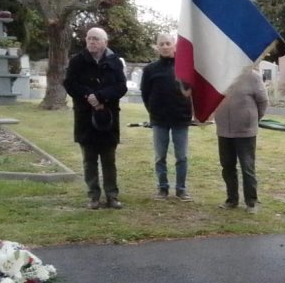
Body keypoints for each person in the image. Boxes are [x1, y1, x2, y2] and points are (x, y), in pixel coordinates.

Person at [62, 27, 128, 210]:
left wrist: (101, 97)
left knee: (109, 159)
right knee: (89, 159)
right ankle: (93, 196)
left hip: (108, 115)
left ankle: (112, 196)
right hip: (85, 116)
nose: (91, 42)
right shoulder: (77, 61)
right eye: (89, 38)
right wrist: (88, 96)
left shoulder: (115, 62)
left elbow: (121, 87)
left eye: (96, 39)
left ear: (105, 42)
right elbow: (70, 84)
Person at [140, 32, 193, 200]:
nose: (164, 47)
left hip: (180, 118)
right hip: (159, 120)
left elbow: (192, 91)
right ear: (157, 46)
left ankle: (181, 189)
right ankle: (162, 188)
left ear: (174, 45)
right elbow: (145, 94)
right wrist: (153, 112)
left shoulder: (184, 68)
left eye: (168, 43)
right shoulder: (150, 70)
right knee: (160, 156)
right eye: (161, 44)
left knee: (181, 157)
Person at [213, 66, 268, 211]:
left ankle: (251, 202)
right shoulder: (219, 75)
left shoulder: (252, 77)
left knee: (247, 167)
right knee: (227, 166)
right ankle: (232, 200)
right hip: (224, 130)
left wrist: (253, 119)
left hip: (246, 131)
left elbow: (263, 102)